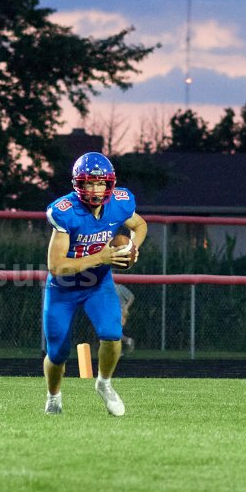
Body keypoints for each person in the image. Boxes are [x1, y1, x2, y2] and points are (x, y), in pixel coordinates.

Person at [42, 152, 147, 417]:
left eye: (100, 183)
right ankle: (53, 396)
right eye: (89, 183)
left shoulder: (120, 203)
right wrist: (100, 257)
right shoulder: (65, 211)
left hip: (97, 284)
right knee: (57, 352)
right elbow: (56, 266)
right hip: (63, 289)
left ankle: (104, 383)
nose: (95, 189)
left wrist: (133, 248)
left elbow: (140, 225)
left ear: (109, 183)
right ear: (78, 184)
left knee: (112, 334)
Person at [115, 282, 136, 352]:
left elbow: (131, 297)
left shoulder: (120, 288)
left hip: (120, 312)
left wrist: (126, 307)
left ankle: (119, 351)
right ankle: (128, 341)